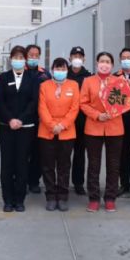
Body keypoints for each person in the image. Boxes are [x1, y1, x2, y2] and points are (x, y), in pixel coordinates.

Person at [79, 52, 125, 212]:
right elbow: (83, 103)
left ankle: (110, 197)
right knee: (93, 165)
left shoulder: (119, 82)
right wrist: (97, 115)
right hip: (93, 127)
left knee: (113, 165)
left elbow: (124, 102)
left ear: (112, 65)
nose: (104, 64)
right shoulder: (88, 81)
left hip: (115, 127)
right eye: (102, 61)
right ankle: (93, 198)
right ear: (97, 63)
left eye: (108, 61)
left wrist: (113, 112)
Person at [0, 46, 39, 212]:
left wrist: (21, 119)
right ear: (11, 59)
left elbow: (33, 101)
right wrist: (10, 119)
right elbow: (0, 101)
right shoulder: (3, 77)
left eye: (22, 57)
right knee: (7, 164)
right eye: (16, 57)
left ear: (26, 60)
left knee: (22, 164)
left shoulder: (32, 78)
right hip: (7, 127)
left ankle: (20, 199)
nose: (18, 60)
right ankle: (8, 200)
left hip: (25, 127)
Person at [37, 58, 80, 211]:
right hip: (46, 130)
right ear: (52, 69)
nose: (60, 71)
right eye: (57, 68)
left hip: (66, 131)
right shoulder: (44, 86)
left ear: (67, 70)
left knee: (64, 165)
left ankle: (62, 196)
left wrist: (62, 125)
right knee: (48, 165)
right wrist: (52, 125)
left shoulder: (74, 85)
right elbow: (42, 108)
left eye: (63, 68)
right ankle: (50, 195)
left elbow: (75, 108)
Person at [114, 47, 130, 196]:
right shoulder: (115, 77)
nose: (126, 60)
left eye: (129, 57)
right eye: (123, 58)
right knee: (123, 155)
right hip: (121, 120)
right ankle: (124, 184)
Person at [25, 44, 50, 194]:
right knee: (23, 152)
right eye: (30, 54)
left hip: (41, 119)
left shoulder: (45, 74)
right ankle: (21, 179)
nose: (33, 57)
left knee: (38, 152)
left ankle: (34, 180)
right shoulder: (21, 72)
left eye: (36, 55)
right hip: (24, 118)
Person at [67, 46, 91, 195]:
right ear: (70, 58)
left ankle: (78, 183)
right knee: (62, 155)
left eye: (80, 56)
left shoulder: (88, 77)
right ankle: (60, 182)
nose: (77, 58)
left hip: (82, 122)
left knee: (80, 154)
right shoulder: (63, 73)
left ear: (84, 59)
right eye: (74, 56)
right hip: (65, 122)